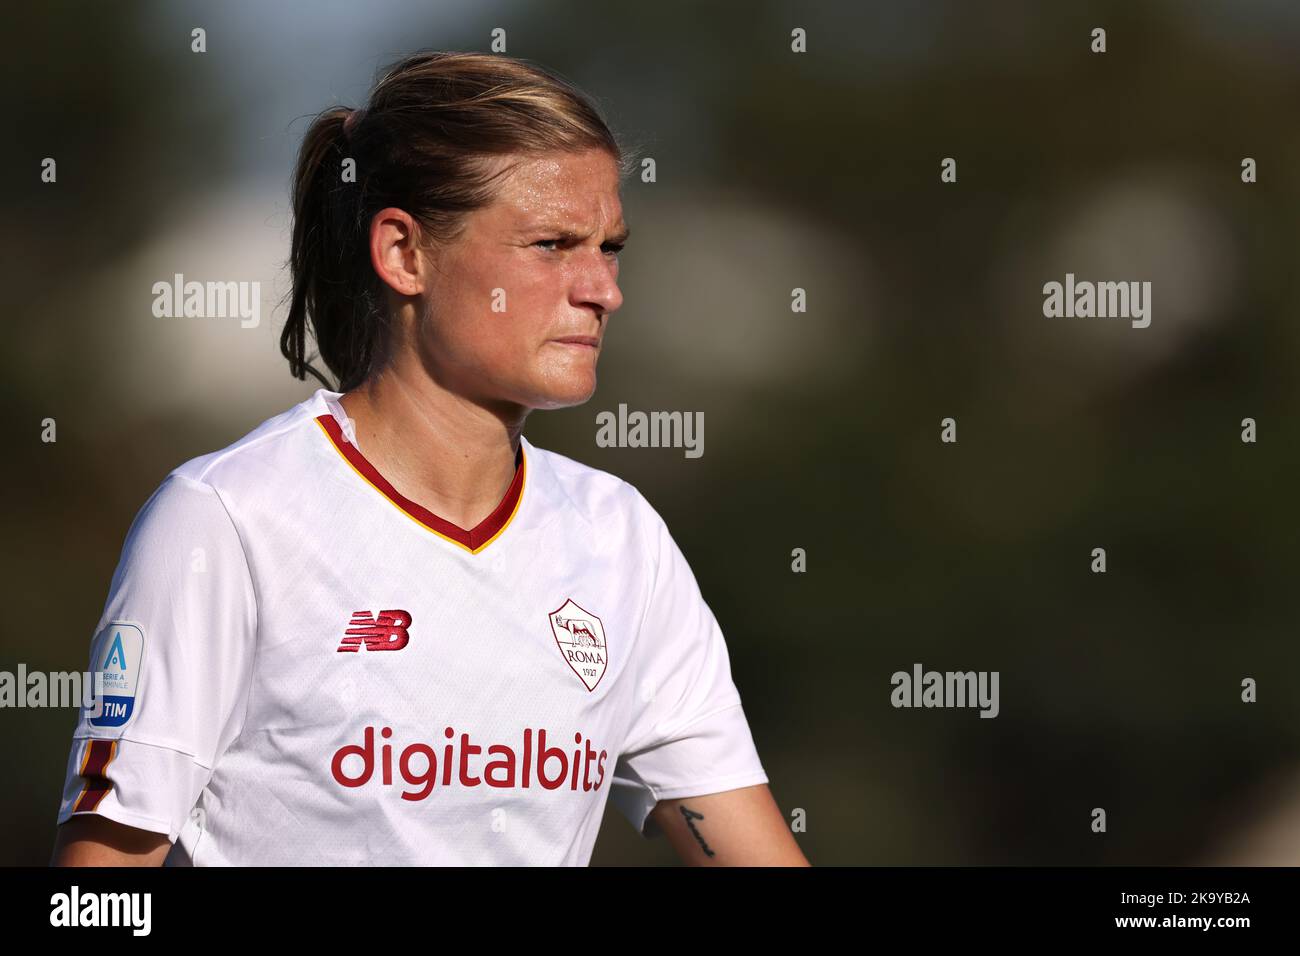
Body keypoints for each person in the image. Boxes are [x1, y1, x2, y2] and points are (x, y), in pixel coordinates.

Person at [50, 50, 808, 866]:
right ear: (404, 254)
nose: (602, 290)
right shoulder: (227, 518)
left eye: (609, 247)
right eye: (552, 245)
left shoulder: (621, 539)